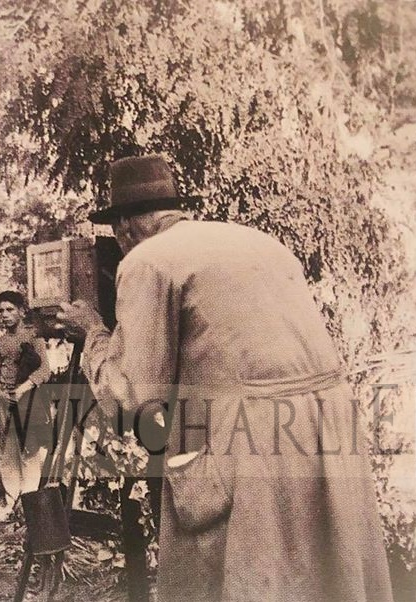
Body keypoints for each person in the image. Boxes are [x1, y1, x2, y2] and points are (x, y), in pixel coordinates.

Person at [57, 154, 392, 601]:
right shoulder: (260, 242)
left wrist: (94, 335)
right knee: (323, 577)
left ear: (125, 227)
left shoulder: (146, 260)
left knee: (240, 577)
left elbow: (133, 397)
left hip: (253, 441)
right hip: (329, 424)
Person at [0, 291, 51, 507]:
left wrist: (23, 389)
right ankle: (12, 498)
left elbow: (45, 369)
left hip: (27, 399)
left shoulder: (34, 336)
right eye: (1, 310)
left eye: (10, 309)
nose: (5, 315)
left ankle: (29, 500)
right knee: (7, 450)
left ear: (22, 311)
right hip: (4, 400)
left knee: (29, 449)